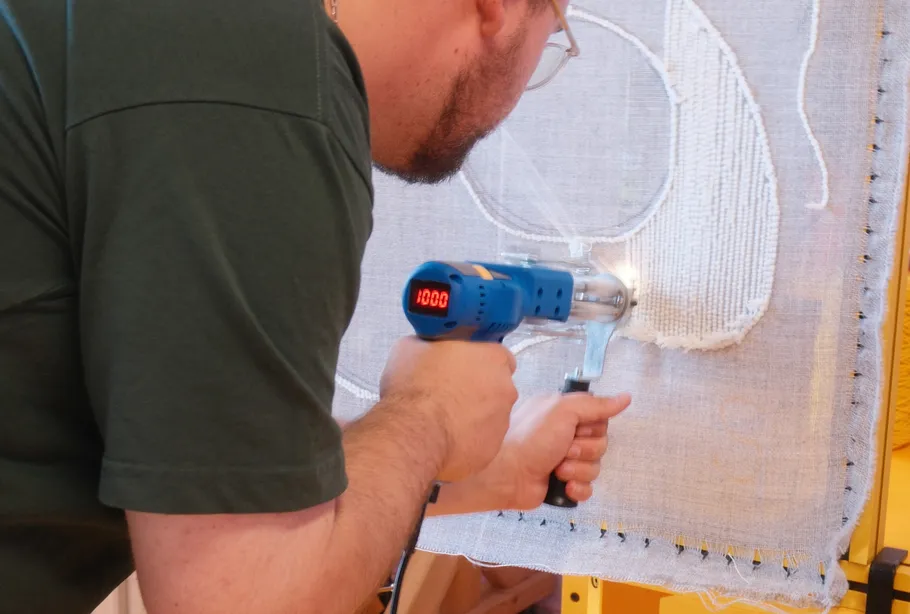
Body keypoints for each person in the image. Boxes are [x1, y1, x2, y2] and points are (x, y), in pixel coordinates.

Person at [0, 0, 632, 612]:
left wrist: (481, 473)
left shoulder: (191, 41)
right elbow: (236, 600)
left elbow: (210, 470)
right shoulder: (255, 77)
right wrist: (429, 414)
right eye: (551, 38)